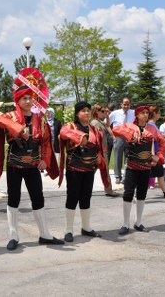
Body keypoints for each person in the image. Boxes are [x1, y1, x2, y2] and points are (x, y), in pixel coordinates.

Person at [0, 68, 63, 250]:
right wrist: (17, 129)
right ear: (17, 100)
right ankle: (13, 236)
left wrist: (45, 160)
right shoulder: (10, 116)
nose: (27, 101)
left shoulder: (40, 119)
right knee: (14, 198)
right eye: (24, 98)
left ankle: (45, 234)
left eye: (30, 98)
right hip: (14, 165)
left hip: (33, 165)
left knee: (38, 198)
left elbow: (47, 143)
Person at [59, 101, 110, 242]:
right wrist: (80, 138)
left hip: (89, 169)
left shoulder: (94, 129)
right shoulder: (71, 126)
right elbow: (63, 133)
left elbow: (97, 147)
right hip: (74, 169)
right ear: (77, 113)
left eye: (88, 110)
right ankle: (68, 230)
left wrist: (99, 157)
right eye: (83, 111)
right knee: (72, 197)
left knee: (86, 197)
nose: (86, 113)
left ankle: (86, 227)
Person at [113, 104, 165, 235]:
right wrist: (132, 132)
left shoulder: (152, 129)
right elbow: (115, 130)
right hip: (132, 165)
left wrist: (158, 156)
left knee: (142, 193)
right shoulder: (130, 126)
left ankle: (138, 222)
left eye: (147, 113)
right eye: (142, 113)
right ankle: (125, 224)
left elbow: (162, 142)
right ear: (136, 114)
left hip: (145, 166)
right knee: (128, 193)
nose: (145, 115)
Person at [90, 103, 119, 197]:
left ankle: (108, 190)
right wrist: (97, 152)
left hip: (102, 150)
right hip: (98, 151)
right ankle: (108, 190)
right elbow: (95, 138)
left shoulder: (98, 121)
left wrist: (107, 115)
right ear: (96, 111)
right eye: (102, 111)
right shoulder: (94, 123)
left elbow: (107, 125)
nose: (103, 113)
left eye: (104, 111)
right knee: (92, 171)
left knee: (103, 170)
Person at [147, 106, 165, 198]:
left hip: (156, 153)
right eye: (159, 113)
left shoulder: (152, 125)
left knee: (159, 173)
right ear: (154, 114)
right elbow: (152, 140)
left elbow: (157, 138)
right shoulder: (151, 125)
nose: (160, 115)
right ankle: (137, 193)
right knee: (147, 174)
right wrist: (153, 155)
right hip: (153, 154)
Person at [109, 97, 135, 184]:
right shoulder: (115, 113)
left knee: (128, 158)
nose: (126, 106)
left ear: (130, 104)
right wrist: (112, 135)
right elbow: (106, 123)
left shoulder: (134, 113)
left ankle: (125, 177)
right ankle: (117, 176)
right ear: (121, 104)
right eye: (124, 104)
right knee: (117, 157)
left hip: (130, 138)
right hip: (118, 137)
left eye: (128, 104)